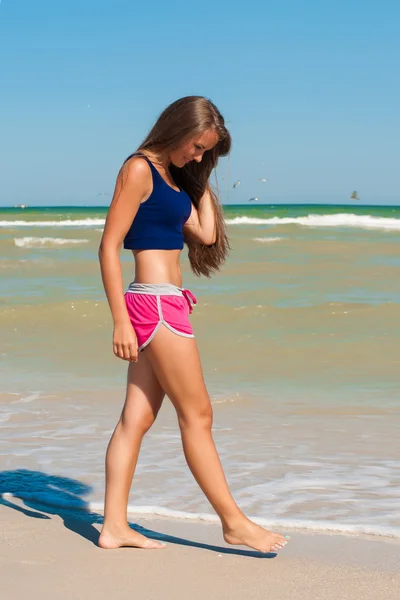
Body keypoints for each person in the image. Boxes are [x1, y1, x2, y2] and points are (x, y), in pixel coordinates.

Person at [98, 96, 289, 553]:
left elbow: (205, 234)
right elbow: (108, 247)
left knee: (136, 419)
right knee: (198, 415)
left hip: (168, 304)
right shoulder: (139, 169)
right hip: (155, 306)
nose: (198, 157)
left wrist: (199, 180)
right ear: (177, 129)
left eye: (206, 152)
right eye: (197, 147)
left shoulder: (170, 179)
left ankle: (114, 527)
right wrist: (120, 321)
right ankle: (233, 522)